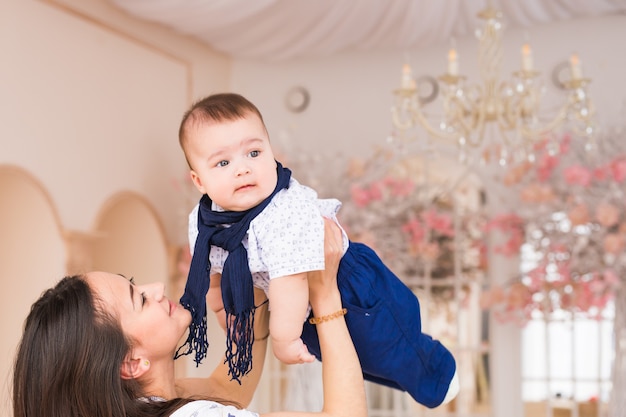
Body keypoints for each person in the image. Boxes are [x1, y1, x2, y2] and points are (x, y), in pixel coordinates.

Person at [177, 92, 459, 409]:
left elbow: (291, 282)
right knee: (359, 361)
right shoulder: (204, 223)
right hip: (301, 309)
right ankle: (418, 379)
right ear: (199, 181)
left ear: (272, 153)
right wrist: (220, 310)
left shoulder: (284, 212)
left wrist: (284, 341)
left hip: (349, 283)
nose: (243, 169)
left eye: (254, 153)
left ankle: (437, 368)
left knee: (388, 346)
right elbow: (213, 272)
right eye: (223, 162)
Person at [13, 220, 366, 417]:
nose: (156, 287)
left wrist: (248, 295)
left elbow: (229, 390)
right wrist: (324, 293)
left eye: (136, 284)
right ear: (132, 362)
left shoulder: (144, 406)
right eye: (140, 299)